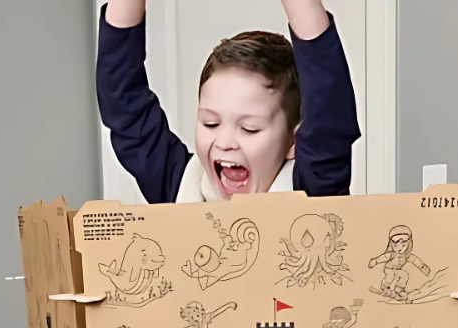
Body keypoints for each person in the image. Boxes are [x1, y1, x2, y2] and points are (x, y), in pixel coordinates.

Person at [97, 0, 360, 203]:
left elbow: (328, 113)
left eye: (249, 128)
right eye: (211, 123)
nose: (224, 142)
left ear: (293, 140)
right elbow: (125, 106)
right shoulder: (181, 185)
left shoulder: (311, 193)